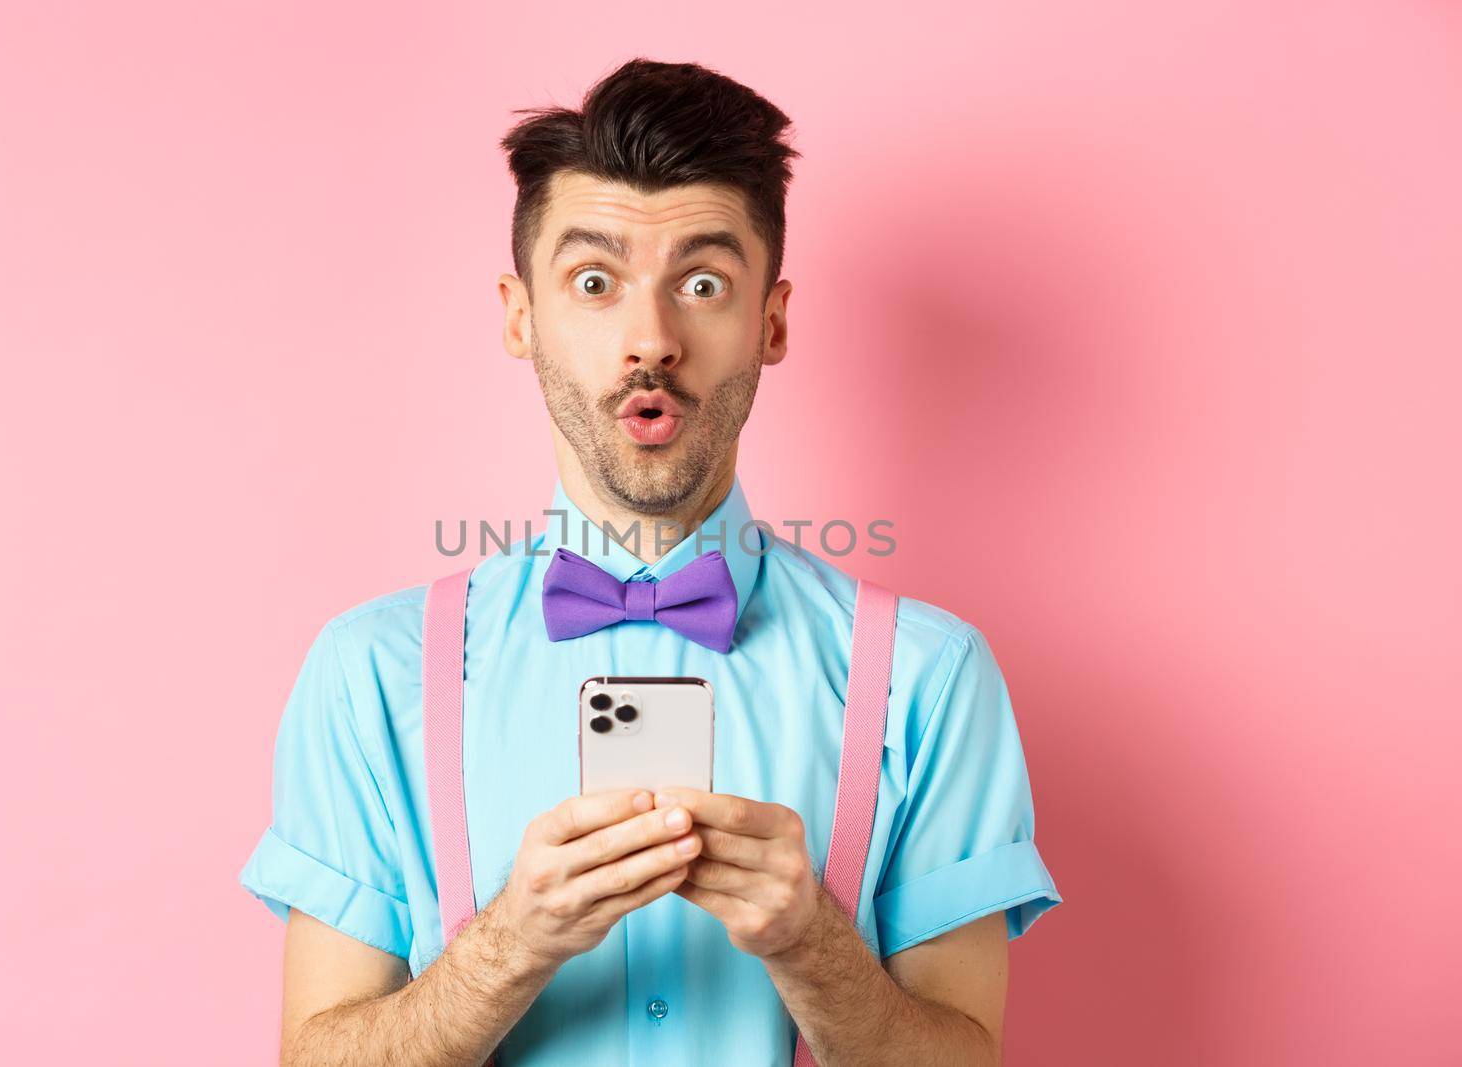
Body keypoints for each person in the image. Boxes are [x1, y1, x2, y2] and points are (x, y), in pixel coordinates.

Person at [239, 56, 1062, 1067]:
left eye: (703, 283)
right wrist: (511, 941)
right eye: (594, 281)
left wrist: (810, 942)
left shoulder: (929, 677)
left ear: (770, 321)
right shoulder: (369, 671)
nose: (651, 338)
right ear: (518, 314)